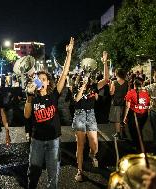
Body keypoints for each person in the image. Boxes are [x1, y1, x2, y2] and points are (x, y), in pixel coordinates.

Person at [24, 37, 74, 189]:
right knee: (33, 172)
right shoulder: (32, 96)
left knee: (53, 174)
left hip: (53, 140)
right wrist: (29, 96)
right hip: (37, 140)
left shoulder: (53, 95)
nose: (40, 80)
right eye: (38, 79)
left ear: (47, 82)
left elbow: (64, 74)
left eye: (43, 79)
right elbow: (26, 115)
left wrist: (69, 54)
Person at [72, 51, 109, 182]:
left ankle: (92, 154)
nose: (86, 76)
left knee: (94, 144)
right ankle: (79, 170)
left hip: (91, 114)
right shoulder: (75, 85)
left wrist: (105, 63)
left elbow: (106, 80)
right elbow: (76, 99)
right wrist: (83, 85)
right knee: (80, 145)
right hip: (80, 114)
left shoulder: (94, 86)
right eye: (84, 74)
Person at [123, 78, 150, 152]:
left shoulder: (130, 92)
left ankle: (138, 146)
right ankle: (139, 145)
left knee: (133, 131)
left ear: (134, 84)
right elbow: (148, 104)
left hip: (134, 115)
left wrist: (125, 116)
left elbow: (127, 106)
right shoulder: (146, 93)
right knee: (139, 129)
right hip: (144, 115)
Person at [109, 68, 129, 139]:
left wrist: (109, 86)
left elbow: (111, 93)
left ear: (116, 74)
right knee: (123, 117)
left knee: (117, 118)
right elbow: (128, 93)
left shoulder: (114, 82)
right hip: (124, 102)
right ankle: (123, 132)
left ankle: (118, 133)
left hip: (116, 102)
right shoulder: (127, 82)